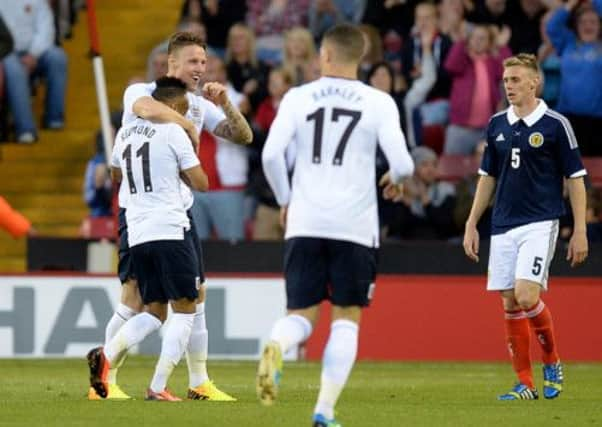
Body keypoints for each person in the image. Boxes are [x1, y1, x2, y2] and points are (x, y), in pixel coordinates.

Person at [258, 24, 414, 426]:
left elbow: (272, 155)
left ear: (324, 56)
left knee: (300, 315)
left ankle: (276, 343)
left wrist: (285, 200)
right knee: (346, 317)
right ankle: (324, 411)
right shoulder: (378, 101)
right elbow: (404, 165)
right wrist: (395, 181)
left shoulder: (297, 97)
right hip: (354, 226)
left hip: (305, 222)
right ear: (359, 58)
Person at [94, 31, 251, 401]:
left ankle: (199, 380)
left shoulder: (197, 103)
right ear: (172, 64)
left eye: (204, 61)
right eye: (193, 61)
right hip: (139, 210)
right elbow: (146, 110)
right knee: (134, 299)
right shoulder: (142, 91)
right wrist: (187, 125)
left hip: (178, 212)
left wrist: (226, 103)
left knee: (194, 295)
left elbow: (241, 135)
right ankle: (103, 380)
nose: (201, 68)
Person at [463, 53, 588, 400]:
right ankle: (525, 383)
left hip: (540, 220)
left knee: (526, 294)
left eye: (516, 80)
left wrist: (579, 229)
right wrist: (473, 222)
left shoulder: (555, 124)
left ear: (534, 82)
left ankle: (551, 360)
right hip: (502, 223)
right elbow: (487, 176)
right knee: (509, 302)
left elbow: (575, 179)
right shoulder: (497, 124)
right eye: (506, 81)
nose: (509, 86)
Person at [87, 77, 209, 401]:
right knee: (185, 309)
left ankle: (106, 354)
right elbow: (202, 182)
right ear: (170, 107)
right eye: (182, 108)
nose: (184, 114)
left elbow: (115, 174)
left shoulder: (124, 133)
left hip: (138, 232)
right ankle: (157, 387)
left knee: (154, 312)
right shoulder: (173, 132)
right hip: (170, 227)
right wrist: (178, 171)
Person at [0, 0, 67, 143]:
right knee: (14, 68)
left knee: (58, 57)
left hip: (35, 51)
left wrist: (33, 54)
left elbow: (46, 29)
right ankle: (25, 129)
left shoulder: (38, 2)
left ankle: (54, 118)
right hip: (7, 53)